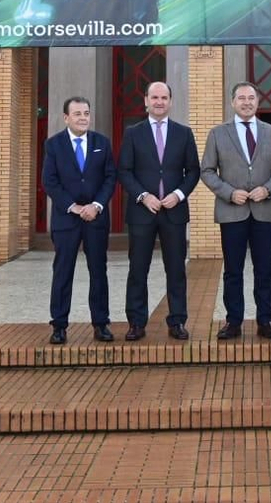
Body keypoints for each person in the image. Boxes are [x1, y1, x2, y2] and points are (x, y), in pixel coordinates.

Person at [199, 81, 271, 340]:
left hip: (264, 211)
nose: (246, 102)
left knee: (264, 270)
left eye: (251, 98)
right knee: (232, 271)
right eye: (241, 98)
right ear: (232, 102)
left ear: (258, 101)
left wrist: (267, 189)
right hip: (232, 212)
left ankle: (265, 320)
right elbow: (207, 170)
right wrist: (228, 192)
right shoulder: (218, 133)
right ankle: (233, 322)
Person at [117, 81, 201, 341]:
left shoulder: (183, 133)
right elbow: (124, 171)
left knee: (176, 270)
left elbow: (193, 171)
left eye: (164, 97)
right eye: (154, 97)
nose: (159, 102)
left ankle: (177, 321)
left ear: (170, 101)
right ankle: (136, 322)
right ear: (146, 101)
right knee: (137, 269)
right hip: (142, 212)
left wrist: (178, 195)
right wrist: (143, 196)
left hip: (174, 212)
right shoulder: (133, 133)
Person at [40, 95, 116, 344]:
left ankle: (101, 324)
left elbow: (110, 178)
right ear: (66, 118)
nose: (83, 118)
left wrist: (96, 205)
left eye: (86, 113)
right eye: (77, 114)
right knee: (63, 272)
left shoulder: (102, 143)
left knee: (98, 271)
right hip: (66, 220)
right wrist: (73, 207)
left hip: (96, 219)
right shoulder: (54, 145)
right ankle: (59, 325)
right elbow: (49, 181)